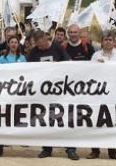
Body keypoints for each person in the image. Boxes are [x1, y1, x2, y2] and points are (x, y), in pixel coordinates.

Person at [26, 31, 78, 160]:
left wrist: (57, 67)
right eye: (37, 45)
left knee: (66, 119)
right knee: (45, 120)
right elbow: (27, 69)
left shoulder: (57, 47)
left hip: (60, 91)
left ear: (45, 39)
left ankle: (70, 149)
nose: (40, 48)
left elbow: (68, 63)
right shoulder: (34, 52)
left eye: (41, 45)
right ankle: (47, 149)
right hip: (43, 93)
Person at [89, 31, 116, 160]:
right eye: (105, 40)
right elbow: (88, 73)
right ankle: (95, 150)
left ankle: (112, 151)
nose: (108, 42)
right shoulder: (95, 56)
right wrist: (96, 66)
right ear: (102, 42)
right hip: (99, 93)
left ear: (114, 41)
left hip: (115, 93)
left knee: (113, 122)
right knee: (96, 121)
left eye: (110, 39)